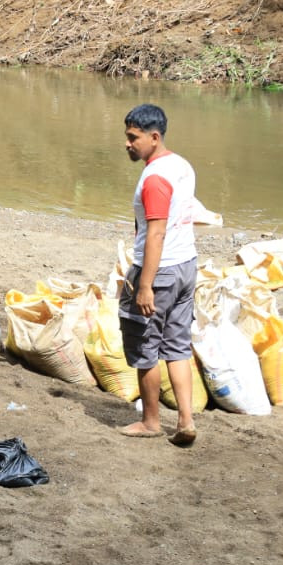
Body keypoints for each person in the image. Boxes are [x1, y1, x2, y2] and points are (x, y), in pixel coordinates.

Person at [117, 104, 199, 446]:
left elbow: (156, 233)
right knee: (177, 346)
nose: (127, 144)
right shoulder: (181, 165)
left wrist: (145, 285)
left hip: (160, 271)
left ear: (154, 137)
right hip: (186, 266)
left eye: (133, 138)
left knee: (144, 344)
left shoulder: (154, 179)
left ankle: (151, 421)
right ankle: (186, 420)